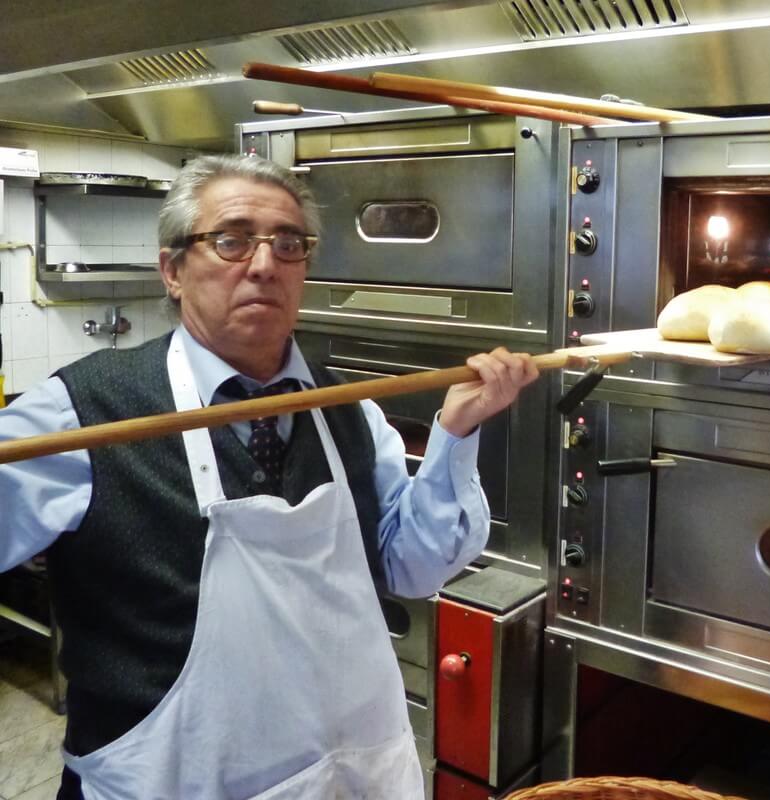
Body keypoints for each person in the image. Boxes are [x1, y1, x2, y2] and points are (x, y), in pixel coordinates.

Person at [0, 154, 539, 799]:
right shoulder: (83, 414)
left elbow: (411, 567)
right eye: (231, 241)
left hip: (346, 779)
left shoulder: (349, 413)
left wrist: (456, 433)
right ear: (173, 269)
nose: (264, 265)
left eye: (289, 244)